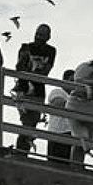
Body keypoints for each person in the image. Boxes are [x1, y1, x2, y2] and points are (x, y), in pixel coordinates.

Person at [12, 24, 57, 155]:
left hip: (38, 92)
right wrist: (24, 59)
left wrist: (30, 71)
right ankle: (20, 153)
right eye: (37, 33)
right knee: (26, 122)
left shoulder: (51, 50)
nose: (38, 37)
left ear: (48, 37)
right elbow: (19, 67)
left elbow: (46, 72)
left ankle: (22, 153)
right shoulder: (25, 47)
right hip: (22, 90)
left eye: (42, 34)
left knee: (33, 125)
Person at [44, 69, 78, 164]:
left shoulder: (73, 97)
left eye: (75, 81)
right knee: (54, 165)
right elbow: (58, 104)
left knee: (66, 165)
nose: (74, 84)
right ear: (64, 80)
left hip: (70, 134)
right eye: (71, 80)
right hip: (57, 133)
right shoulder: (58, 91)